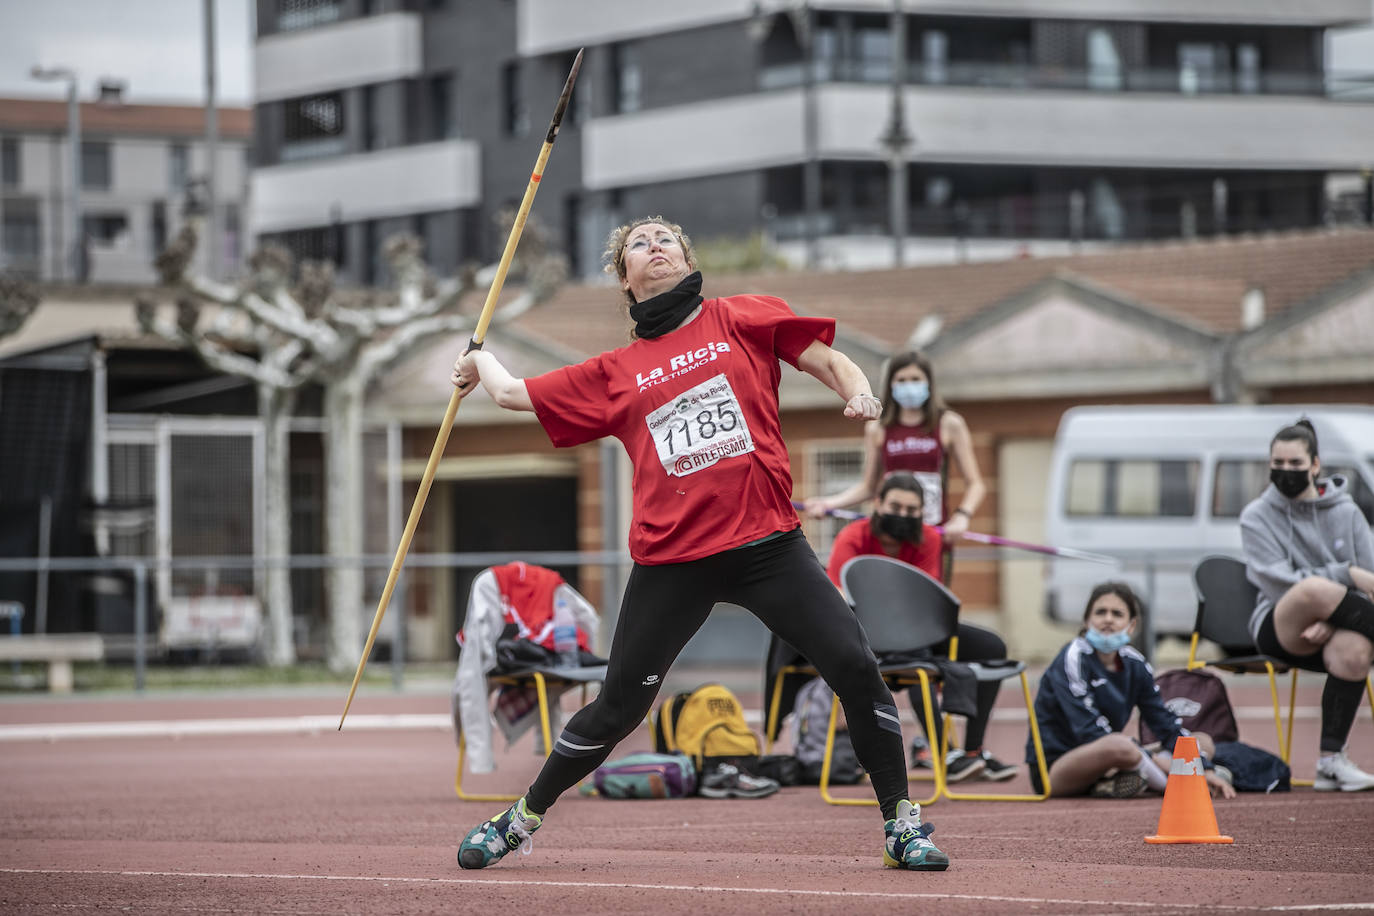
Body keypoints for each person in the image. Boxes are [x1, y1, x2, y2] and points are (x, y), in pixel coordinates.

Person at [449, 216, 949, 871]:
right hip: (672, 562)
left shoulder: (741, 317)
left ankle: (901, 827)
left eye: (665, 240)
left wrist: (858, 394)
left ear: (687, 258)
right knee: (617, 709)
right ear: (624, 279)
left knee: (855, 666)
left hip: (768, 545)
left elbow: (827, 358)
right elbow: (514, 393)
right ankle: (519, 820)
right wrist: (479, 358)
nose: (653, 247)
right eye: (637, 244)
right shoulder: (616, 371)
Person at [804, 350, 986, 766]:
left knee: (933, 631)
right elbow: (869, 487)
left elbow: (975, 483)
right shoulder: (880, 428)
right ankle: (931, 743)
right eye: (900, 379)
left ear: (929, 384)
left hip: (930, 540)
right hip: (889, 538)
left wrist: (961, 516)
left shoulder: (948, 424)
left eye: (915, 379)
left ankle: (944, 741)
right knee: (898, 632)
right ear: (890, 385)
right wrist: (829, 502)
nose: (908, 387)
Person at [825, 471, 1019, 783]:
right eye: (896, 507)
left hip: (916, 629)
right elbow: (838, 595)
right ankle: (944, 755)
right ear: (878, 503)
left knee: (991, 646)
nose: (903, 515)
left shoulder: (930, 538)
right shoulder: (852, 536)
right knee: (919, 664)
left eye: (912, 510)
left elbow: (927, 599)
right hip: (865, 634)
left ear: (921, 512)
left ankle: (971, 753)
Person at [1240, 418, 1374, 792]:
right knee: (1313, 588)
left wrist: (1334, 620)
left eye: (1295, 464)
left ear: (1315, 465)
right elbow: (1279, 582)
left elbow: (1372, 577)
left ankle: (1331, 762)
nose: (1285, 472)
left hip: (1339, 624)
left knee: (1356, 651)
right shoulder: (1256, 517)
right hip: (1282, 623)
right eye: (1277, 464)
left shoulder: (1347, 513)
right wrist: (1347, 574)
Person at [1027, 581, 1237, 799]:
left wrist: (1205, 767)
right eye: (1100, 612)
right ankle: (1179, 786)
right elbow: (1089, 731)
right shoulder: (1072, 657)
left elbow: (1163, 722)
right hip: (1056, 768)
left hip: (1115, 756)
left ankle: (1116, 781)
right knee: (1120, 746)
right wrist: (1158, 761)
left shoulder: (1135, 663)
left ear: (1132, 625)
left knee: (1201, 742)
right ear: (1087, 621)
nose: (1108, 619)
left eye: (1117, 614)